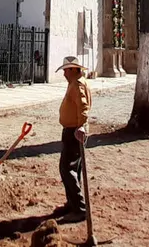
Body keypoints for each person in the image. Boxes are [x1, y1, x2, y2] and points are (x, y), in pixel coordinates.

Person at [54, 55, 92, 223]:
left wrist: (81, 126)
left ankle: (80, 209)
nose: (64, 74)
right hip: (72, 130)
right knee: (73, 169)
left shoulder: (78, 85)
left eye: (65, 71)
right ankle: (72, 203)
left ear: (72, 69)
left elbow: (83, 107)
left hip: (75, 131)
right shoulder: (75, 83)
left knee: (66, 168)